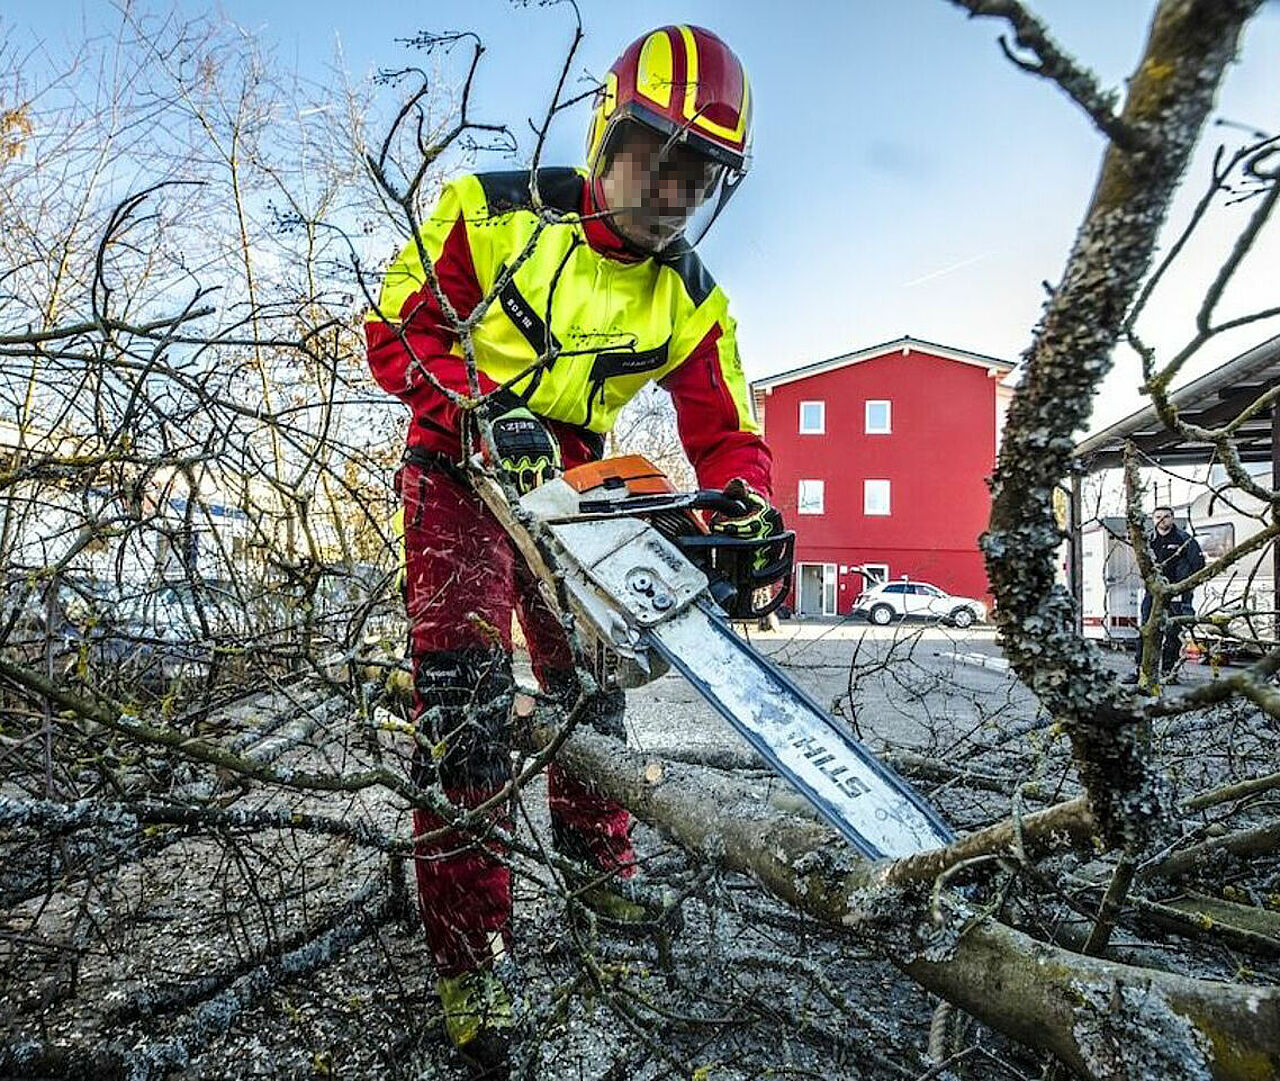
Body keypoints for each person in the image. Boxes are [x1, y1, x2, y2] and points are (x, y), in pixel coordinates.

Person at [365, 25, 785, 1071]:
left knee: (592, 693)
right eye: (656, 158)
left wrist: (747, 506)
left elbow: (727, 428)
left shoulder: (691, 296)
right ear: (607, 137)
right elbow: (394, 335)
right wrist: (472, 400)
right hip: (455, 459)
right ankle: (473, 955)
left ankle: (602, 888)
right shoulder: (493, 214)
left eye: (697, 175)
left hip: (579, 478)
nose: (670, 190)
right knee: (462, 708)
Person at [1123, 506, 1205, 686]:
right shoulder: (1148, 540)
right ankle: (1140, 671)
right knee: (1146, 632)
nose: (1162, 520)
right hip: (1152, 594)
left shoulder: (1184, 540)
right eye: (1158, 517)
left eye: (1166, 517)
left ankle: (1168, 671)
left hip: (1177, 594)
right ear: (1152, 519)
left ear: (1172, 518)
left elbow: (1198, 565)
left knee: (1173, 634)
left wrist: (1184, 587)